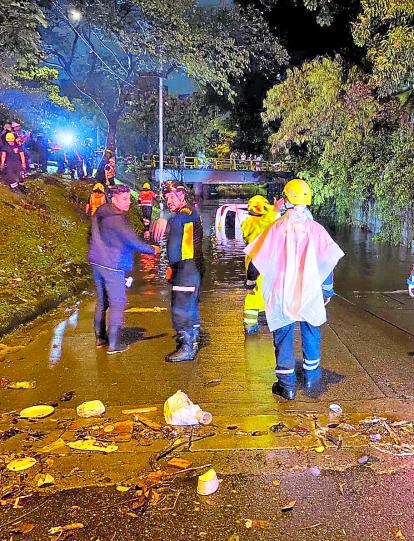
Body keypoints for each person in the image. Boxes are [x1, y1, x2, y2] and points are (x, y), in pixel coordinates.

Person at [245, 179, 344, 400]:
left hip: (282, 292)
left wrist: (251, 282)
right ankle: (311, 379)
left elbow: (256, 260)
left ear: (287, 199)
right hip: (309, 290)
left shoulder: (276, 228)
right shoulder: (316, 229)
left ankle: (287, 386)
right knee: (311, 330)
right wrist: (326, 291)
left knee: (283, 333)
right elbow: (327, 261)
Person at [88, 184, 160, 354]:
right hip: (113, 264)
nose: (129, 202)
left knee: (102, 302)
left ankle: (100, 338)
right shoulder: (117, 219)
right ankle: (114, 344)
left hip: (96, 261)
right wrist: (153, 249)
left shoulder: (101, 211)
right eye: (124, 199)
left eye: (129, 198)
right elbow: (132, 242)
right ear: (114, 199)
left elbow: (90, 233)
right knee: (117, 303)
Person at [152, 181, 203, 362]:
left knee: (180, 309)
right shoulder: (180, 214)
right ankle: (195, 337)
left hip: (187, 269)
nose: (169, 201)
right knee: (189, 305)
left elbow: (182, 219)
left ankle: (187, 347)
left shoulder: (188, 212)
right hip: (185, 268)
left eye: (172, 197)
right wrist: (171, 267)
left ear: (182, 196)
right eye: (166, 198)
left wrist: (165, 217)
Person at [241, 195, 278, 334]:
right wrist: (275, 209)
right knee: (260, 291)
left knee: (254, 292)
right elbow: (268, 221)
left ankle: (251, 323)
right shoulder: (264, 222)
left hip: (252, 261)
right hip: (262, 263)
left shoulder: (246, 223)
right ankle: (256, 322)